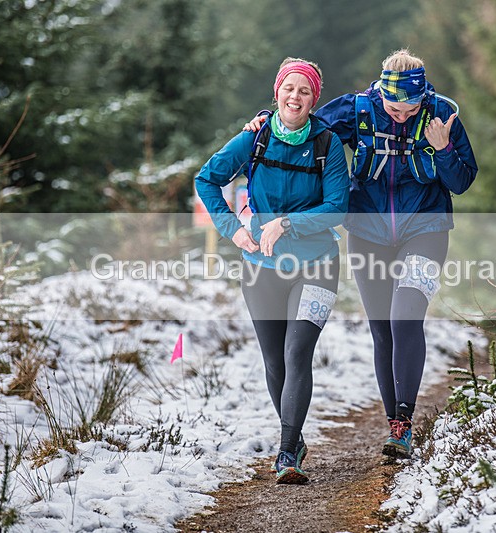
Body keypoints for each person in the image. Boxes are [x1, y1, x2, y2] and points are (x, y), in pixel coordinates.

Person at [245, 49, 478, 459]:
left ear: (423, 96)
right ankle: (394, 424)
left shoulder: (440, 114)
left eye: (409, 107)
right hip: (367, 232)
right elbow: (301, 121)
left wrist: (442, 149)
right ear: (381, 94)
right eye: (394, 107)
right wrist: (266, 119)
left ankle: (404, 421)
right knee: (382, 330)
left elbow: (462, 181)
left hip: (426, 228)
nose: (401, 115)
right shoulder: (358, 109)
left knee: (404, 317)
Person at [196, 58, 350, 484]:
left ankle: (286, 453)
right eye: (289, 89)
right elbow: (206, 179)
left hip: (318, 263)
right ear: (277, 92)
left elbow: (337, 208)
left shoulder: (328, 144)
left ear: (313, 99)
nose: (295, 97)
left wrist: (287, 222)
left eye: (304, 91)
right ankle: (295, 438)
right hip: (260, 266)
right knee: (274, 361)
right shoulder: (255, 138)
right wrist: (231, 230)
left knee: (297, 351)